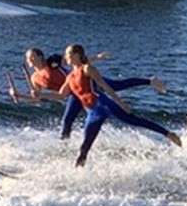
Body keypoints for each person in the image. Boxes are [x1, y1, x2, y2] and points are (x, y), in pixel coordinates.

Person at [55, 43, 182, 167]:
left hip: (103, 104)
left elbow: (106, 86)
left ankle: (168, 134)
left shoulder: (87, 69)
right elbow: (61, 95)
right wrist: (40, 96)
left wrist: (120, 103)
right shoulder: (70, 77)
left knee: (134, 120)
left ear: (76, 55)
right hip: (92, 112)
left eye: (68, 54)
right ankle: (78, 174)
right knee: (84, 148)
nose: (65, 57)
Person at [23, 47, 171, 140]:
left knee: (117, 85)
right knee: (67, 121)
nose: (29, 60)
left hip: (84, 81)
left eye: (32, 56)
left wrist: (97, 57)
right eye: (28, 58)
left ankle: (150, 81)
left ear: (40, 57)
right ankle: (64, 146)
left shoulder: (52, 62)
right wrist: (18, 95)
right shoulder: (34, 78)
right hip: (73, 93)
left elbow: (76, 61)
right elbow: (36, 99)